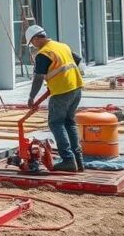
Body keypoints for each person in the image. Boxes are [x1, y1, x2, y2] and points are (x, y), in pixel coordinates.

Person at [25, 25, 84, 173]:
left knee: (55, 123)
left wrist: (32, 97)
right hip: (76, 87)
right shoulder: (61, 45)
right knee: (69, 122)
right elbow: (77, 59)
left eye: (32, 42)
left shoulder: (43, 53)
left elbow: (38, 78)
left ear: (37, 39)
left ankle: (68, 160)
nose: (33, 46)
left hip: (62, 91)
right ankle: (78, 160)